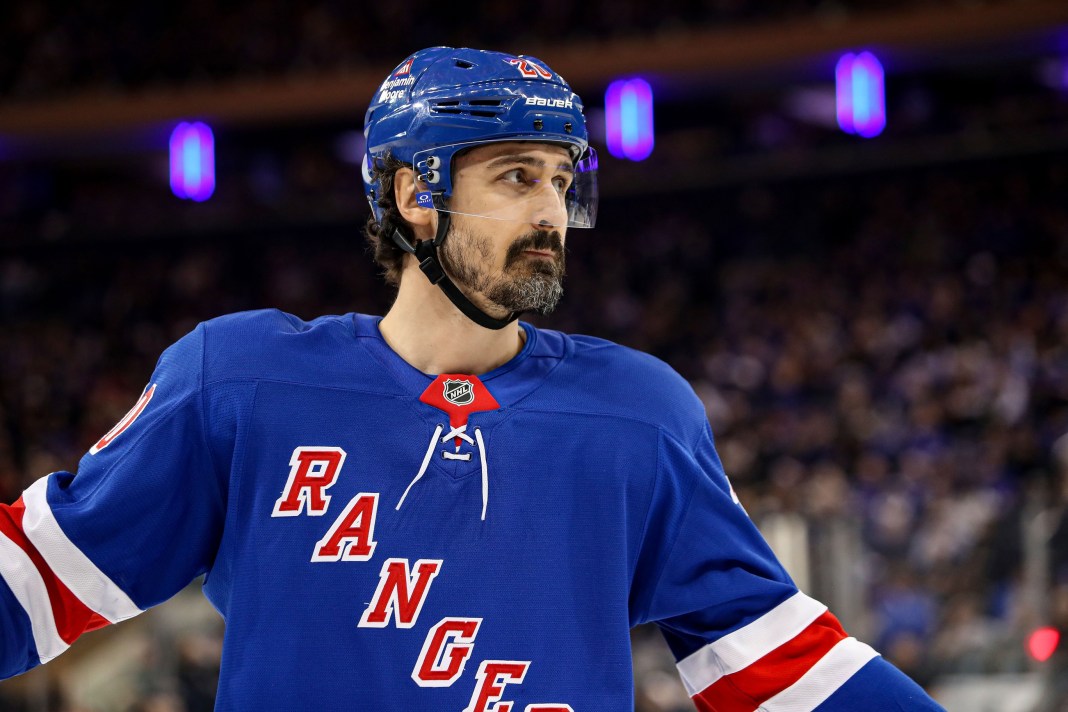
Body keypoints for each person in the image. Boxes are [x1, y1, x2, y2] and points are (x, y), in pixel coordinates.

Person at [0, 47, 944, 711]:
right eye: (515, 177)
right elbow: (42, 577)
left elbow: (775, 656)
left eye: (559, 181)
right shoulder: (236, 382)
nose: (551, 212)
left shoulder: (641, 414)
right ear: (416, 194)